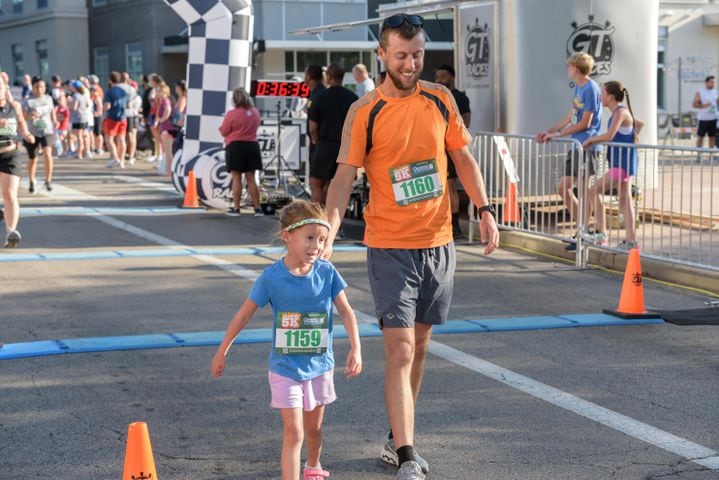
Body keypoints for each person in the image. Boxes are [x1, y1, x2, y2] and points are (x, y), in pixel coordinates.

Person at [321, 13, 500, 480]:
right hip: (389, 245)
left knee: (419, 346)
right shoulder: (365, 111)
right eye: (401, 55)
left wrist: (484, 210)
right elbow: (343, 177)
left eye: (417, 53)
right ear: (381, 55)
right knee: (399, 349)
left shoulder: (439, 100)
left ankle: (395, 436)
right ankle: (406, 454)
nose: (410, 62)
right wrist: (331, 226)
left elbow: (462, 157)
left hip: (439, 241)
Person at [210, 200, 362, 480]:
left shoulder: (326, 272)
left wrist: (356, 348)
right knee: (295, 432)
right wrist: (223, 351)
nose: (316, 246)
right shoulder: (271, 278)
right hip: (284, 368)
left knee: (314, 430)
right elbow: (243, 315)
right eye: (309, 238)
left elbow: (346, 311)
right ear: (286, 236)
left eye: (321, 239)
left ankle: (313, 466)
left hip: (319, 365)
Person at [535, 52, 602, 251]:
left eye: (569, 66)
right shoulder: (579, 89)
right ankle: (582, 228)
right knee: (563, 188)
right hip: (576, 145)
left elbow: (585, 123)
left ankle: (585, 231)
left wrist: (558, 135)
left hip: (587, 146)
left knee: (584, 190)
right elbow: (570, 117)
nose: (567, 69)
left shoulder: (591, 88)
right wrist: (549, 131)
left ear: (577, 68)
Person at [582, 81, 644, 250]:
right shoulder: (620, 112)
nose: (600, 96)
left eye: (602, 93)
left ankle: (602, 233)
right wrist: (632, 137)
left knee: (593, 190)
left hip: (622, 164)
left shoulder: (620, 112)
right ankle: (631, 241)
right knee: (624, 201)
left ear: (610, 96)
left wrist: (590, 140)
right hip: (622, 162)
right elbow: (639, 124)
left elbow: (609, 136)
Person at [309, 62, 358, 205]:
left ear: (328, 77)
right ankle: (335, 223)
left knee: (316, 183)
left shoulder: (321, 96)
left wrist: (316, 141)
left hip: (325, 145)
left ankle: (318, 220)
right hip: (345, 148)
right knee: (336, 185)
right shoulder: (353, 98)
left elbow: (312, 127)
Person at [435, 64, 471, 238]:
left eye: (443, 76)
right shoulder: (435, 97)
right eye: (438, 76)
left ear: (451, 76)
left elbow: (466, 122)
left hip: (450, 148)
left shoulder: (459, 97)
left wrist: (448, 132)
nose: (439, 79)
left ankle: (455, 225)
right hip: (435, 149)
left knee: (450, 186)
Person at [0, 74, 35, 247]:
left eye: (0, 86)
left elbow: (21, 123)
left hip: (10, 154)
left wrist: (26, 134)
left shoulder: (14, 106)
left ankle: (10, 232)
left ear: (5, 88)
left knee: (10, 194)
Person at [219, 87, 264, 217]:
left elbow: (224, 131)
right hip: (252, 146)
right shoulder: (255, 112)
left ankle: (237, 208)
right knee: (251, 179)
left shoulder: (232, 114)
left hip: (235, 146)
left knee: (236, 178)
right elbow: (257, 125)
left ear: (234, 99)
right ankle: (257, 208)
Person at [22, 77, 57, 193]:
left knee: (48, 154)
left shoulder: (48, 98)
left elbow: (52, 110)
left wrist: (55, 120)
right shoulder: (28, 100)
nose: (39, 89)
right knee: (33, 158)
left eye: (42, 86)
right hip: (32, 132)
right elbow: (22, 116)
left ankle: (48, 180)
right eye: (37, 86)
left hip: (47, 130)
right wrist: (29, 116)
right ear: (32, 87)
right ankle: (32, 180)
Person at [159, 79, 186, 175]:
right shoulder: (179, 98)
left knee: (169, 150)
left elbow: (179, 112)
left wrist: (163, 119)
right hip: (175, 126)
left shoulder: (182, 98)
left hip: (174, 127)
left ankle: (169, 170)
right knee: (170, 150)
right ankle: (169, 170)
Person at [103, 71, 129, 169]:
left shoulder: (109, 92)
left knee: (109, 139)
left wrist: (105, 108)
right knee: (121, 139)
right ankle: (121, 161)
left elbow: (107, 106)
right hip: (123, 117)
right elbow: (128, 104)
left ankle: (115, 158)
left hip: (112, 117)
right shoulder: (123, 91)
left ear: (110, 80)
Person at [304, 65, 327, 164]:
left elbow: (313, 127)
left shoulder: (317, 95)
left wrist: (315, 141)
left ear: (308, 77)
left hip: (320, 144)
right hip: (323, 144)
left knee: (316, 178)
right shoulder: (318, 93)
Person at [693, 75, 717, 149]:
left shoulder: (716, 92)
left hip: (713, 118)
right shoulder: (700, 92)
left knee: (712, 137)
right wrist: (704, 105)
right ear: (706, 83)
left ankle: (711, 155)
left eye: (714, 82)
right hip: (703, 119)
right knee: (700, 137)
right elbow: (694, 104)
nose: (713, 84)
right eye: (711, 82)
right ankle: (699, 155)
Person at [69, 80, 90, 160]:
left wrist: (69, 105)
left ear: (75, 88)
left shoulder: (76, 96)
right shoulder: (83, 95)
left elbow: (74, 107)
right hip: (84, 117)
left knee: (79, 137)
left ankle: (79, 153)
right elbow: (87, 104)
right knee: (83, 135)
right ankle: (85, 151)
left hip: (78, 118)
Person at [88, 75, 105, 155]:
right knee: (95, 132)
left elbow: (100, 106)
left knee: (98, 133)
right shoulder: (96, 93)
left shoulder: (97, 95)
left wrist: (97, 113)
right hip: (95, 115)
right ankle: (96, 147)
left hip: (97, 116)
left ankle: (99, 148)